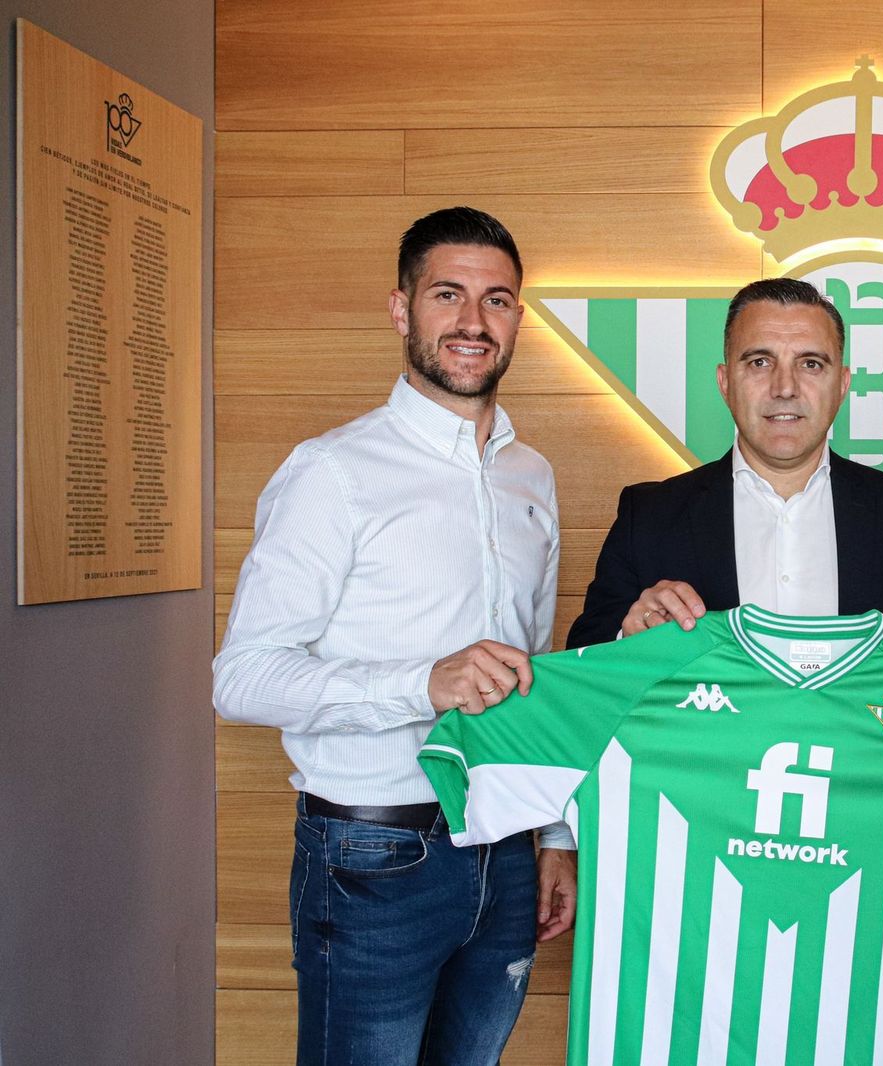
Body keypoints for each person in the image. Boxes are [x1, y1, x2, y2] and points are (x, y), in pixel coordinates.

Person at [213, 206, 577, 1065]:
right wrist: (422, 683)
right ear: (401, 308)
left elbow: (537, 672)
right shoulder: (332, 473)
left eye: (497, 300)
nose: (472, 321)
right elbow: (239, 679)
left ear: (519, 317)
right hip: (374, 853)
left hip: (507, 844)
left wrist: (556, 837)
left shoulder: (533, 475)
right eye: (447, 294)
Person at [566, 276, 883, 657]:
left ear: (842, 385)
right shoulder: (649, 516)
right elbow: (582, 661)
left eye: (811, 364)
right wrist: (628, 633)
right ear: (725, 382)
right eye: (760, 362)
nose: (785, 388)